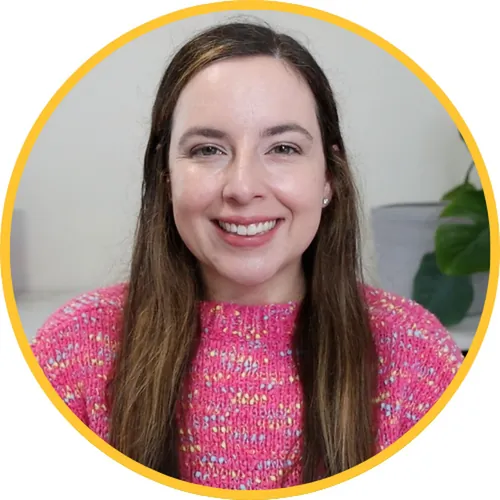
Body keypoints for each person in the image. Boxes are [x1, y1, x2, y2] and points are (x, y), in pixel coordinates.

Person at [30, 21, 463, 491]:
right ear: (166, 176)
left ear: (328, 177)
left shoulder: (416, 357)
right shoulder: (73, 352)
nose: (242, 187)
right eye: (208, 149)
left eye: (283, 148)